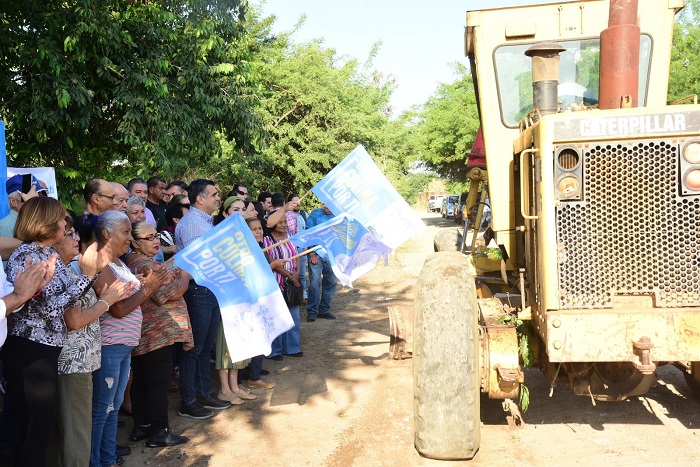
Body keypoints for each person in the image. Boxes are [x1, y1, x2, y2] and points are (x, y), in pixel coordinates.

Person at [2, 196, 110, 465]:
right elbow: (50, 309)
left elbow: (59, 300)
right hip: (30, 351)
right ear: (46, 222)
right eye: (62, 219)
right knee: (37, 428)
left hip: (43, 352)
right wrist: (87, 276)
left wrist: (90, 275)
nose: (65, 224)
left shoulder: (47, 255)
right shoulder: (28, 255)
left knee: (34, 425)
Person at [90, 210, 170, 467]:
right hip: (111, 345)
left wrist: (145, 284)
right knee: (103, 408)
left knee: (112, 406)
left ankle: (108, 457)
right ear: (106, 234)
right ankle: (96, 461)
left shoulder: (119, 263)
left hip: (125, 345)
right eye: (125, 232)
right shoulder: (101, 265)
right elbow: (119, 308)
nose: (129, 238)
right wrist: (149, 286)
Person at [52, 215, 132, 467]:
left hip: (87, 360)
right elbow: (74, 320)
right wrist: (107, 300)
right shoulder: (71, 271)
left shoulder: (74, 270)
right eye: (69, 234)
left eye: (75, 233)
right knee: (81, 429)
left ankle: (104, 459)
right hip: (72, 362)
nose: (76, 240)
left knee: (96, 418)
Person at [125, 221, 192, 448]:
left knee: (143, 380)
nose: (156, 241)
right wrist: (184, 275)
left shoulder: (135, 261)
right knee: (157, 383)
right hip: (156, 333)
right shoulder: (145, 265)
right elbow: (171, 292)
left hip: (144, 331)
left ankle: (142, 427)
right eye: (149, 238)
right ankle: (159, 432)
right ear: (134, 242)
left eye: (156, 236)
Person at [175, 179, 231, 419]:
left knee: (205, 346)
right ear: (200, 198)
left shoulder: (205, 222)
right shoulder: (191, 225)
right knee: (194, 348)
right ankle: (188, 401)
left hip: (211, 289)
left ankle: (204, 393)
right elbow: (197, 262)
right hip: (198, 290)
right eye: (214, 194)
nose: (218, 198)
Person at [263, 217, 303, 359]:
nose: (283, 225)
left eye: (285, 222)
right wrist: (289, 275)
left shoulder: (291, 237)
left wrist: (297, 273)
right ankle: (275, 351)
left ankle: (292, 348)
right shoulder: (267, 241)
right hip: (276, 282)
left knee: (294, 317)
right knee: (276, 317)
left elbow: (297, 255)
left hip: (292, 282)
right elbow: (271, 261)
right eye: (280, 222)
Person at [306, 203, 338, 322]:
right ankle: (312, 311)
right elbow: (308, 234)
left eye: (329, 204)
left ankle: (324, 310)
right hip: (317, 254)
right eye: (324, 204)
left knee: (331, 282)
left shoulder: (338, 216)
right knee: (314, 283)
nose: (327, 207)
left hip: (332, 255)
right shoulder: (315, 214)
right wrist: (312, 253)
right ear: (321, 204)